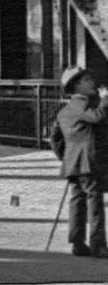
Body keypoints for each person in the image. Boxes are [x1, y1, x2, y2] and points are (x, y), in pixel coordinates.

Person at [50, 66, 108, 257]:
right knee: (94, 201)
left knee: (77, 201)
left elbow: (55, 138)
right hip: (88, 164)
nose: (92, 83)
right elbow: (98, 117)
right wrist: (105, 99)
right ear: (77, 86)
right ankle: (98, 245)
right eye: (87, 80)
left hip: (74, 164)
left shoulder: (65, 110)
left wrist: (66, 157)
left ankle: (77, 243)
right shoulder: (82, 105)